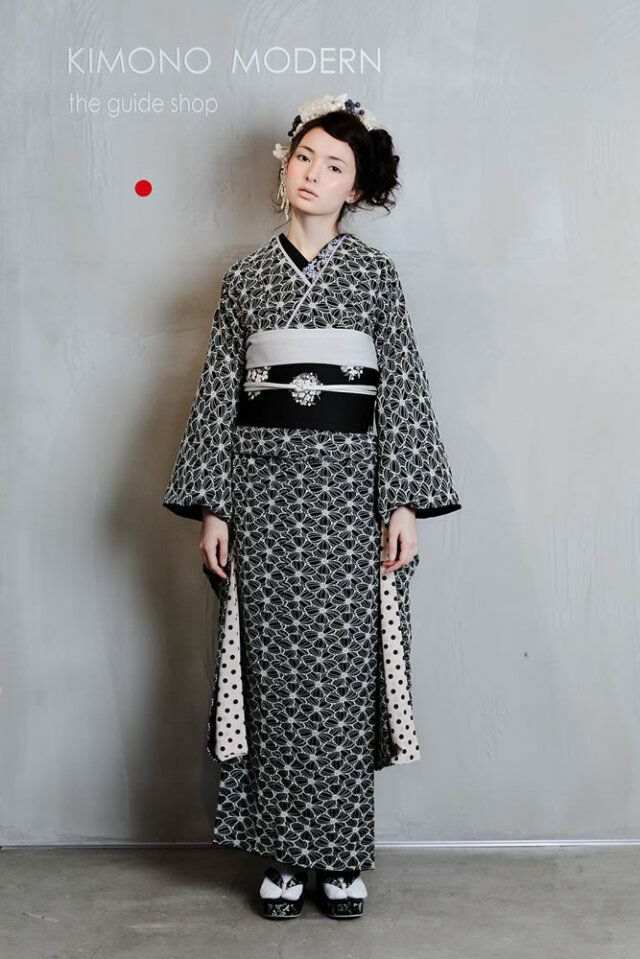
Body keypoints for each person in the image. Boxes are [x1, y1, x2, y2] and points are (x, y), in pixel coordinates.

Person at [162, 92, 462, 920]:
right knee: (273, 676)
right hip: (263, 499)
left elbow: (402, 389)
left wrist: (403, 503)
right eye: (305, 157)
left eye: (335, 167)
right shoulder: (246, 279)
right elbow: (219, 393)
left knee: (343, 678)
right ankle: (285, 856)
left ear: (355, 189)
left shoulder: (375, 277)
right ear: (285, 164)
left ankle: (340, 855)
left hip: (350, 498)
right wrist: (215, 508)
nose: (314, 175)